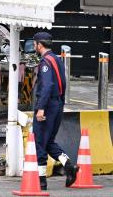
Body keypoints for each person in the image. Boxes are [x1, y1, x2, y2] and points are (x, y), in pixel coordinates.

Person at [32, 31, 78, 190]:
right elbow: (63, 84)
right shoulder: (57, 59)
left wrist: (41, 109)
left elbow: (47, 86)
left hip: (47, 106)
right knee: (49, 141)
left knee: (39, 142)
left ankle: (41, 181)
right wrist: (60, 104)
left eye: (35, 43)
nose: (34, 46)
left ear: (39, 44)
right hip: (57, 105)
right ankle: (69, 166)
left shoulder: (45, 62)